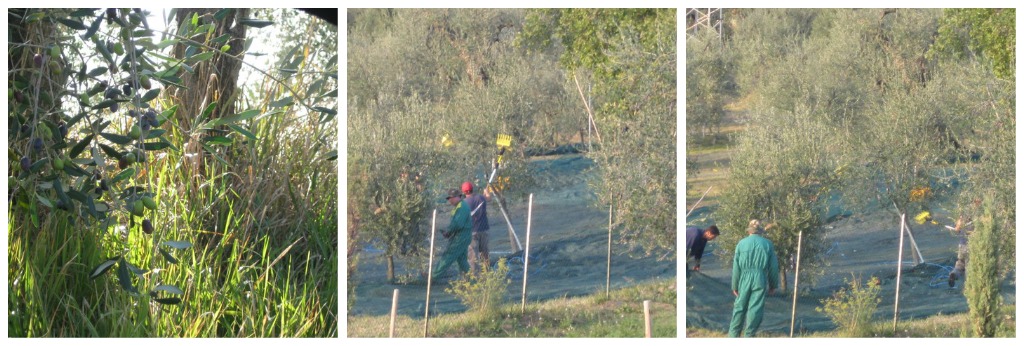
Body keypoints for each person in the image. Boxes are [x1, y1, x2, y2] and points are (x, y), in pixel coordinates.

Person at [729, 219, 780, 337]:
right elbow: (773, 266)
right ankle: (749, 335)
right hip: (759, 278)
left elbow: (736, 267)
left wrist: (734, 285)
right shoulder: (767, 244)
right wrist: (773, 285)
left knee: (739, 307)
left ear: (749, 231)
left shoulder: (741, 243)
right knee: (755, 307)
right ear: (760, 231)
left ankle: (733, 335)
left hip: (744, 277)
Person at [431, 188, 473, 281]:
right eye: (449, 198)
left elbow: (458, 224)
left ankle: (433, 277)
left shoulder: (462, 207)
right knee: (462, 261)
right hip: (464, 237)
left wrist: (448, 231)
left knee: (448, 256)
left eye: (451, 198)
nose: (449, 200)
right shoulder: (460, 206)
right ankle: (472, 281)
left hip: (460, 238)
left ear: (458, 197)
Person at [462, 181, 492, 274]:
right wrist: (486, 192)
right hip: (483, 230)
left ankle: (475, 278)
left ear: (464, 192)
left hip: (471, 233)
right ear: (472, 189)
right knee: (485, 254)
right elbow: (489, 198)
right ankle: (487, 275)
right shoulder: (481, 198)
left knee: (473, 257)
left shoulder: (463, 203)